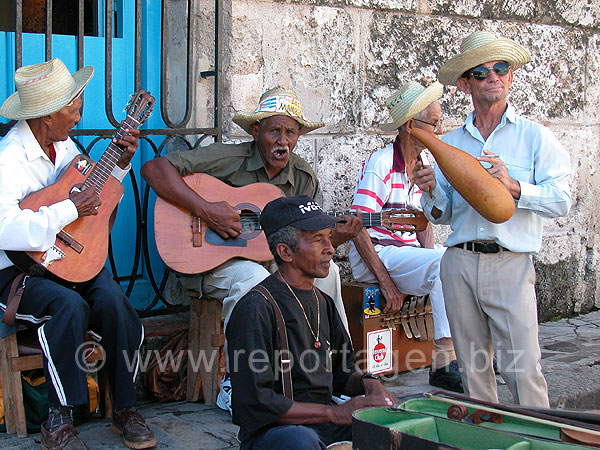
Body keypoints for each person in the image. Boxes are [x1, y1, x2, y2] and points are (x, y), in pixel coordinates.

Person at [140, 87, 362, 413]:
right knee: (255, 281)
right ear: (257, 132)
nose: (282, 140)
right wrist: (205, 209)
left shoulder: (302, 178)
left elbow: (305, 245)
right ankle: (236, 382)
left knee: (327, 277)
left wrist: (336, 239)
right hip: (211, 262)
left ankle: (332, 375)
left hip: (272, 261)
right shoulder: (229, 159)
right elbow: (154, 169)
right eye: (274, 130)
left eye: (290, 132)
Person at [0, 59, 155, 449]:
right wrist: (68, 210)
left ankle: (124, 408)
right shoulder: (7, 159)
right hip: (17, 274)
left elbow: (92, 196)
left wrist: (118, 167)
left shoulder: (64, 144)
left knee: (117, 305)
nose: (79, 113)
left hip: (69, 262)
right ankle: (59, 420)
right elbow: (5, 229)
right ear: (47, 115)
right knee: (66, 307)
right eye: (73, 106)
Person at [414, 31, 572, 406]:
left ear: (511, 76)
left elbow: (562, 200)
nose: (493, 77)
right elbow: (443, 214)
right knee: (473, 373)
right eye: (482, 72)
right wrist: (431, 188)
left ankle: (539, 444)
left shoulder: (535, 138)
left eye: (501, 68)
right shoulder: (450, 142)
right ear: (466, 83)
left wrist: (515, 187)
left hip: (511, 264)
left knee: (523, 371)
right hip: (461, 262)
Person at [227, 195, 396, 449]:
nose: (330, 248)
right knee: (300, 441)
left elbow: (343, 372)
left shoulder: (323, 302)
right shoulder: (256, 308)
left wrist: (369, 383)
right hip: (276, 432)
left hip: (324, 424)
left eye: (328, 237)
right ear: (285, 252)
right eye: (318, 240)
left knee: (394, 428)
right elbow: (254, 402)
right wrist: (333, 413)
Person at [349, 80, 462, 392]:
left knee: (462, 259)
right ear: (411, 126)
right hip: (375, 257)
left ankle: (468, 352)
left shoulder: (424, 163)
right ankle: (443, 360)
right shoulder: (382, 163)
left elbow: (422, 224)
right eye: (434, 124)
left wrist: (428, 253)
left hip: (404, 255)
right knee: (446, 263)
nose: (438, 131)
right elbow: (358, 226)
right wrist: (386, 283)